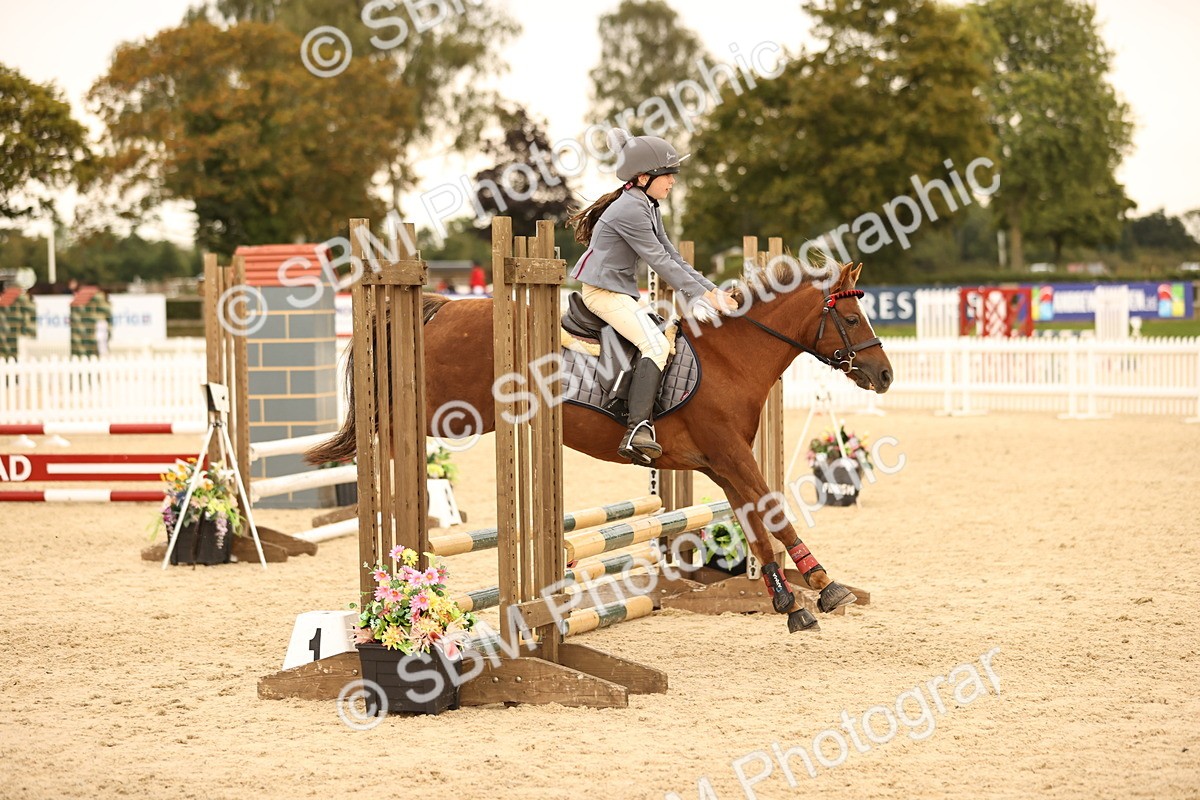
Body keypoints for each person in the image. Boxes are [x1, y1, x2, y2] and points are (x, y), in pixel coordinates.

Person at [567, 129, 736, 466]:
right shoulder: (630, 209)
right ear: (643, 177)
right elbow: (658, 262)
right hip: (603, 294)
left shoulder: (646, 203)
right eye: (667, 175)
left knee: (662, 339)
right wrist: (704, 296)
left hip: (620, 292)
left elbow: (673, 255)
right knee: (656, 346)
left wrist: (711, 290)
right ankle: (637, 429)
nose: (672, 181)